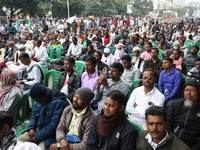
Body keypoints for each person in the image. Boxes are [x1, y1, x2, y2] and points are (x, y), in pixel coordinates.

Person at [18, 83, 69, 150]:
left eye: (39, 101)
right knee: (17, 143)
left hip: (51, 136)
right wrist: (31, 128)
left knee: (38, 148)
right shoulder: (40, 99)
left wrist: (38, 137)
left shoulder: (59, 103)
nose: (38, 102)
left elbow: (54, 125)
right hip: (37, 130)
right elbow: (34, 114)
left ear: (45, 96)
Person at [167, 78, 200, 149]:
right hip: (172, 140)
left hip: (190, 145)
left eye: (192, 91)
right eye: (186, 90)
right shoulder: (175, 105)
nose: (188, 93)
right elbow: (167, 125)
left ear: (198, 93)